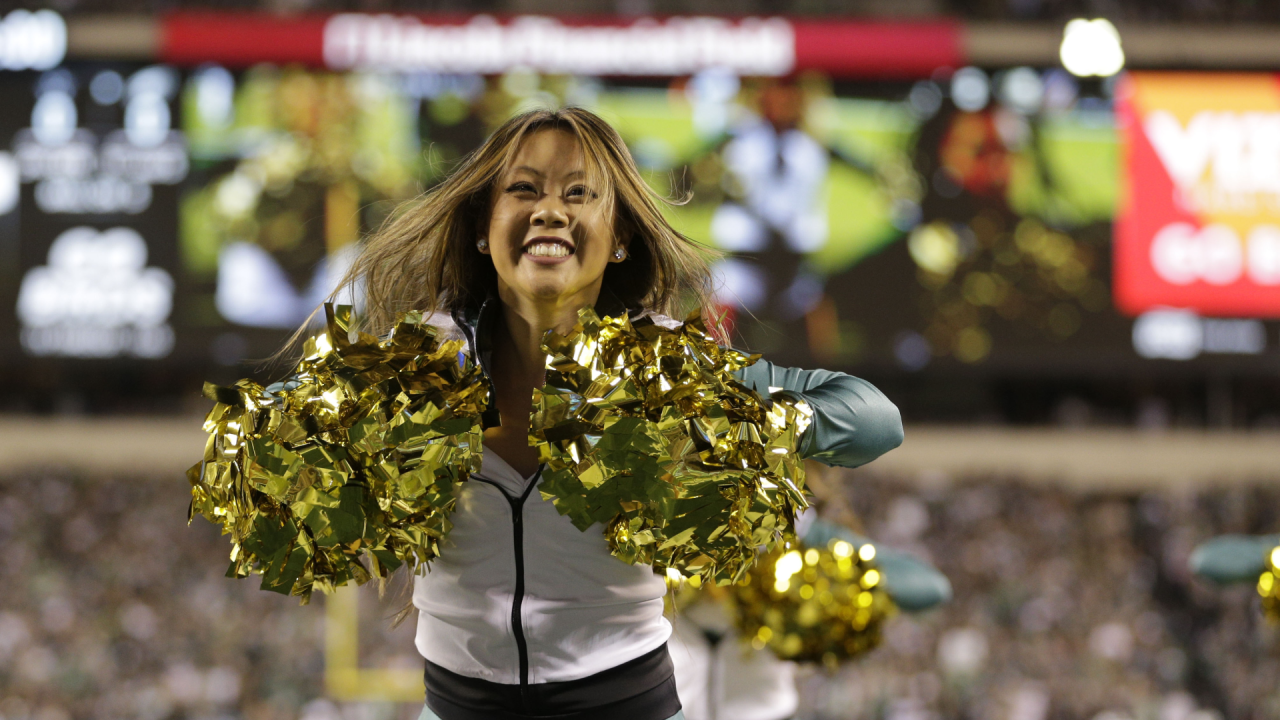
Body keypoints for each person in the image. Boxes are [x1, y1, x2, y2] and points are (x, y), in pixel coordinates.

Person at [324, 107, 908, 720]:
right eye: (523, 188)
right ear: (482, 225)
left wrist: (745, 427)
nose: (550, 209)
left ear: (620, 237)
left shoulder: (670, 370)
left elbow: (875, 418)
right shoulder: (412, 366)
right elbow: (272, 443)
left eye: (579, 193)